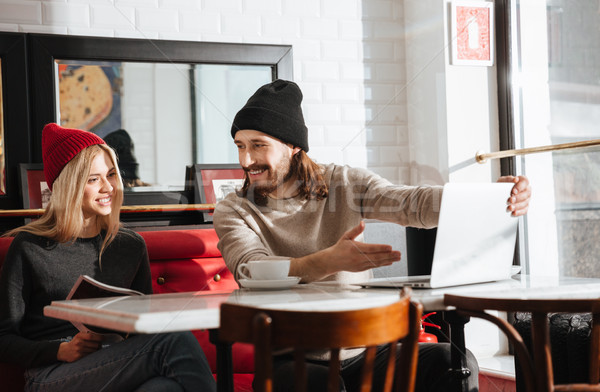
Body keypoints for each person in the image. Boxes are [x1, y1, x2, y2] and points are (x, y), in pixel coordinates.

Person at [213, 80, 532, 392]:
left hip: (368, 351)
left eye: (258, 145)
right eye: (240, 146)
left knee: (452, 362)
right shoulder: (233, 210)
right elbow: (249, 270)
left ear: (293, 146)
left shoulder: (343, 182)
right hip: (292, 359)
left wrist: (491, 197)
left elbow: (410, 204)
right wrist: (326, 262)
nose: (245, 161)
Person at [0, 123, 216, 392]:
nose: (108, 187)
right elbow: (4, 338)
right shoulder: (30, 247)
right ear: (69, 186)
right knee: (174, 341)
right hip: (51, 374)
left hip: (117, 362)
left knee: (164, 388)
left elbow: (143, 329)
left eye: (111, 174)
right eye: (94, 179)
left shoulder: (129, 245)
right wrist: (61, 350)